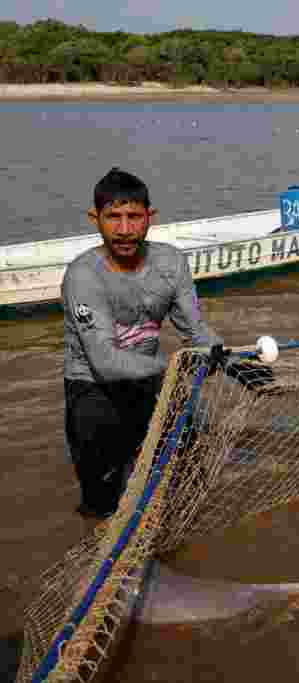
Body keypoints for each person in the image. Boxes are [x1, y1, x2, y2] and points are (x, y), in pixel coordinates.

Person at [62, 167, 224, 520]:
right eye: (113, 217)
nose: (124, 229)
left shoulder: (171, 263)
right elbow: (104, 360)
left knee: (186, 473)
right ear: (95, 218)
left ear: (150, 217)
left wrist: (224, 357)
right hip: (95, 393)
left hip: (151, 385)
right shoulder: (83, 276)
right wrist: (171, 369)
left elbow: (195, 330)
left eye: (134, 217)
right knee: (103, 505)